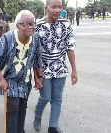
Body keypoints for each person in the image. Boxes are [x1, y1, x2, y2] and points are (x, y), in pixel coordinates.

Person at [0, 10, 43, 133]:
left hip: (25, 82)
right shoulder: (7, 39)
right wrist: (0, 79)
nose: (30, 27)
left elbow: (37, 59)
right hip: (10, 81)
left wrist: (38, 77)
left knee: (22, 109)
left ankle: (20, 130)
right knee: (13, 110)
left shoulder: (35, 39)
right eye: (26, 24)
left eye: (32, 23)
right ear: (17, 26)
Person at [33, 0, 78, 133]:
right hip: (44, 70)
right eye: (53, 7)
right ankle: (37, 116)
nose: (57, 10)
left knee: (57, 99)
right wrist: (36, 76)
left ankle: (53, 126)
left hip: (60, 69)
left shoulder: (66, 24)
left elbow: (70, 48)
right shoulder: (38, 26)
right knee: (45, 97)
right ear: (46, 8)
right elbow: (35, 53)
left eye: (59, 7)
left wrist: (74, 70)